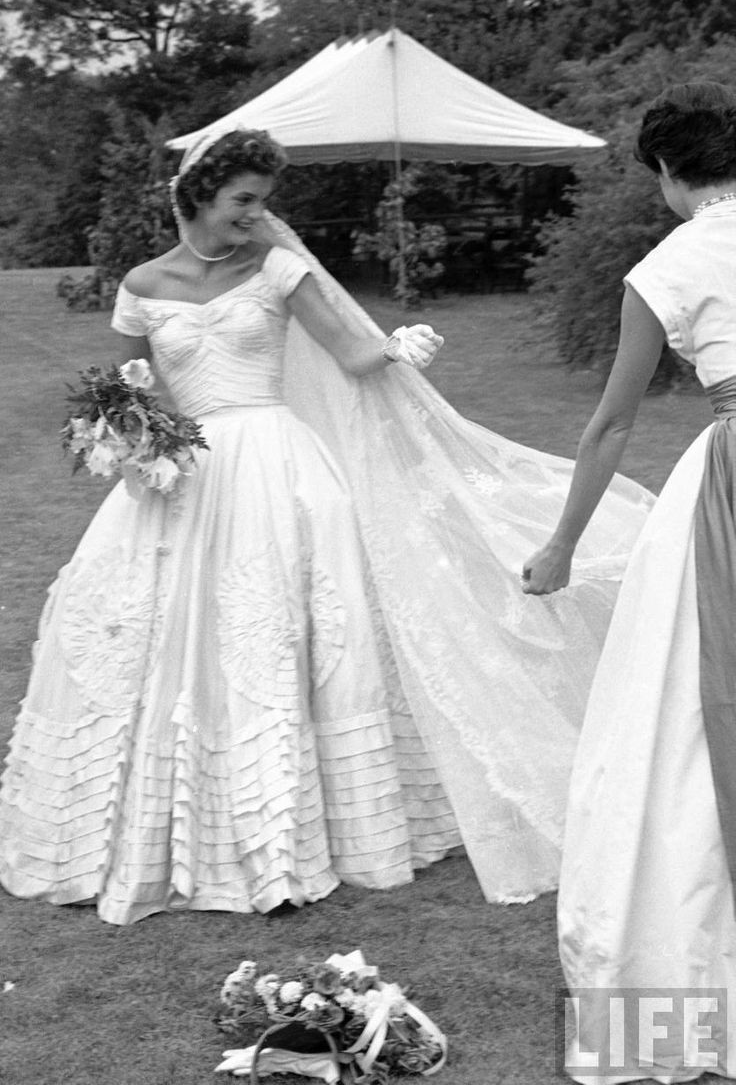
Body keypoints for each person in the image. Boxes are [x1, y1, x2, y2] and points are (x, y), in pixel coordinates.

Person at [0, 128, 651, 926]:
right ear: (198, 194)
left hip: (277, 465)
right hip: (185, 474)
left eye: (264, 202)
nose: (257, 216)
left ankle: (305, 823)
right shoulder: (140, 284)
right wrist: (129, 440)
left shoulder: (278, 268)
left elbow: (352, 353)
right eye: (244, 200)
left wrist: (399, 347)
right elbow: (134, 388)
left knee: (283, 629)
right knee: (152, 630)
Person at [522, 81, 736, 1081]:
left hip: (726, 482)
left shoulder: (666, 266)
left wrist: (562, 545)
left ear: (661, 172)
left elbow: (611, 423)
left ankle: (677, 1004)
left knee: (686, 725)